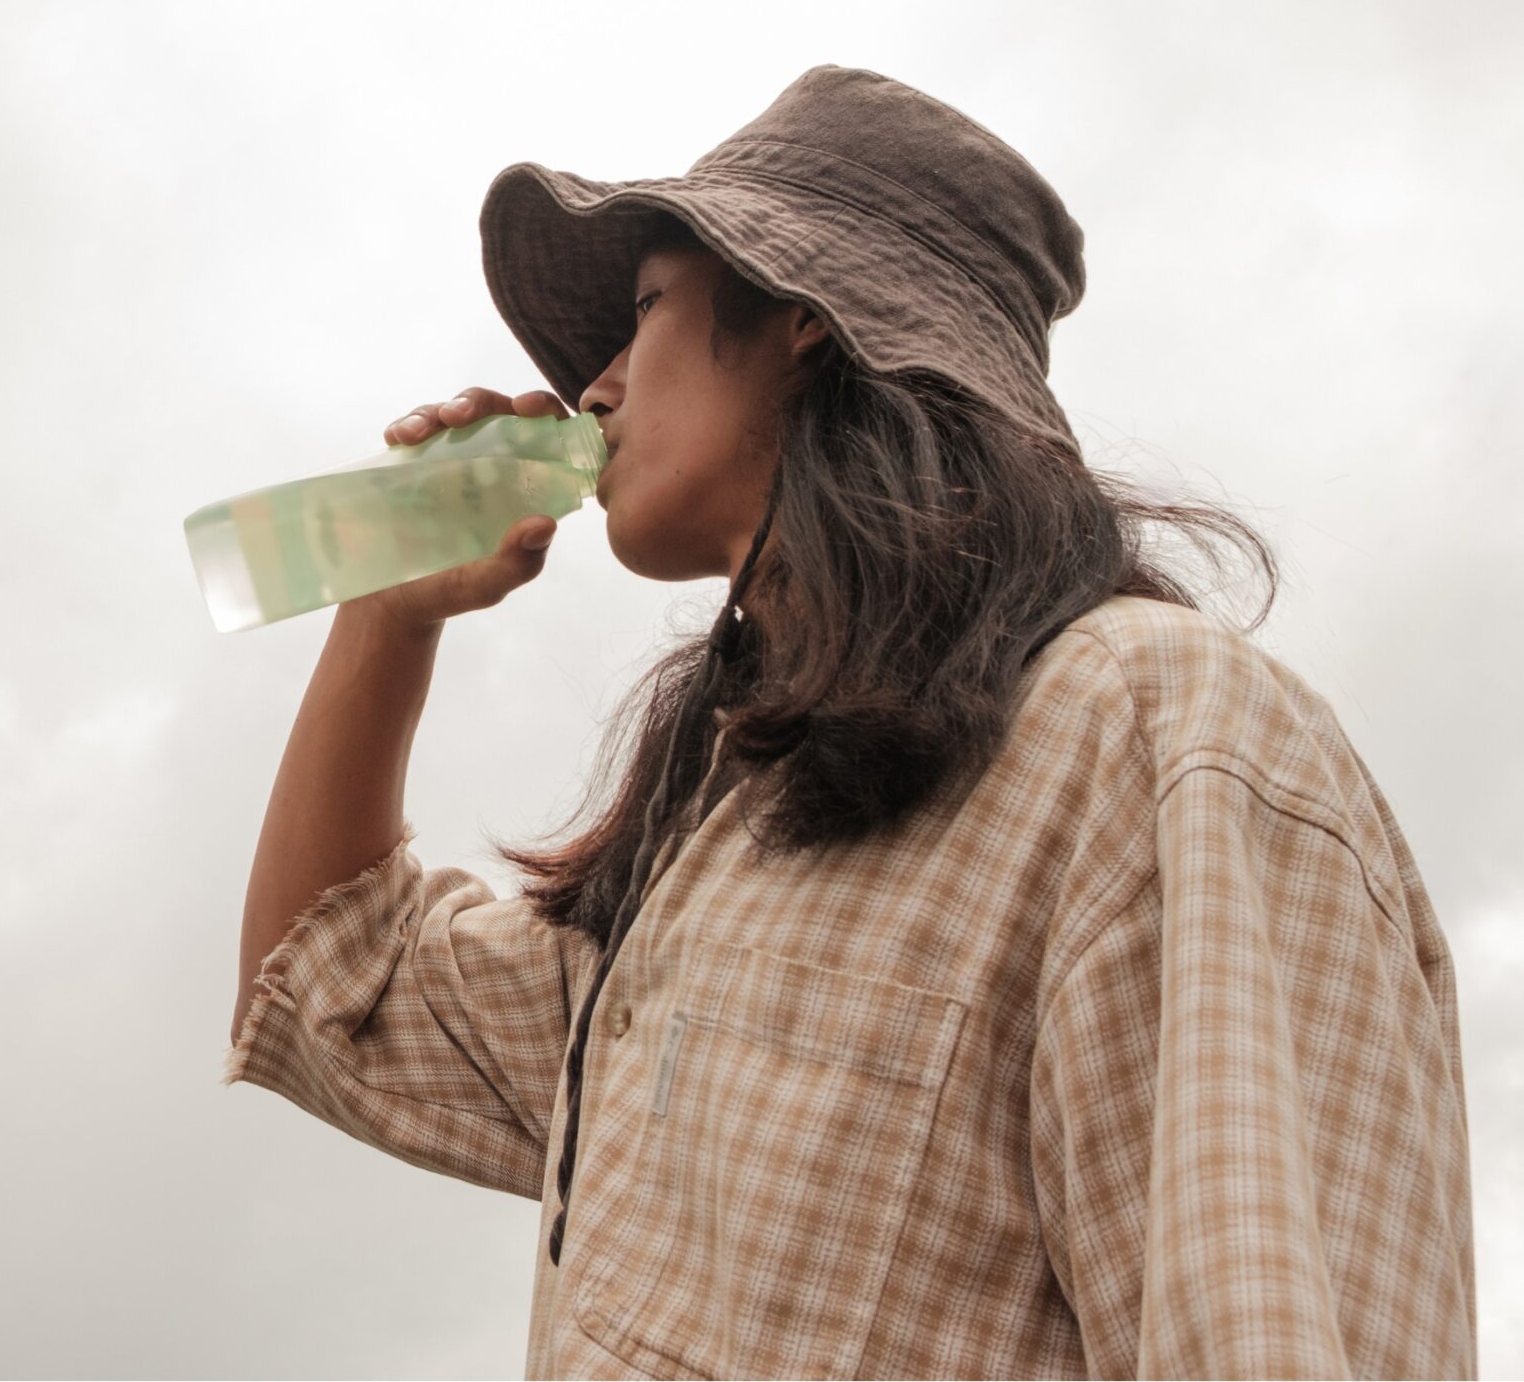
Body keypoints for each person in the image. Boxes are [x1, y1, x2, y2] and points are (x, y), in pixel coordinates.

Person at [223, 67, 1473, 1377]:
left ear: (805, 321)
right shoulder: (714, 847)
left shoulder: (1148, 725)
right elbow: (327, 983)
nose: (592, 388)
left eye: (645, 306)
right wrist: (384, 610)